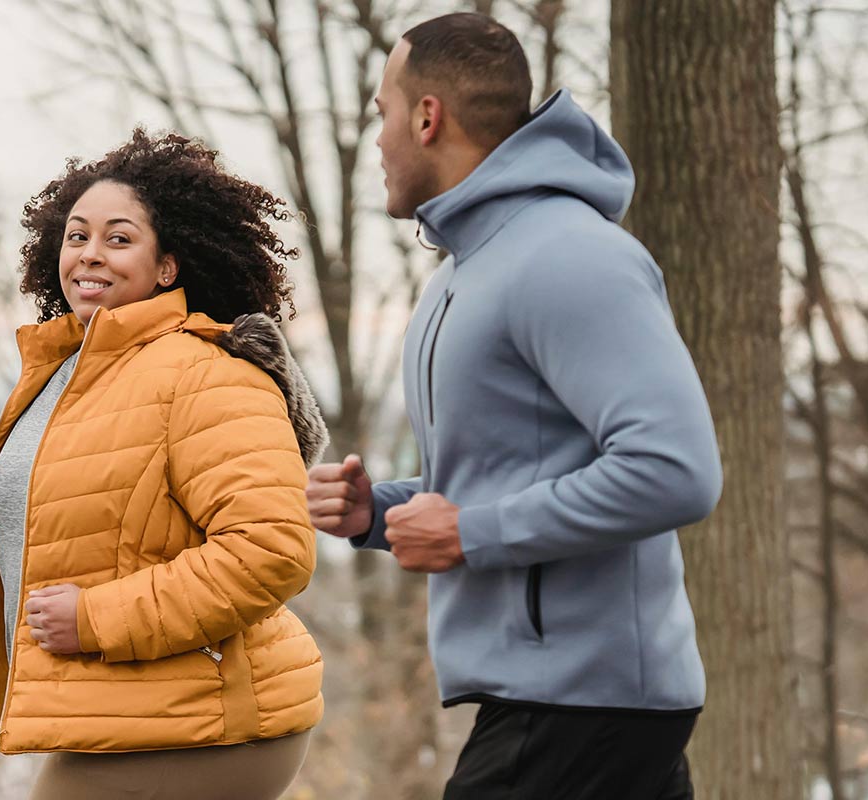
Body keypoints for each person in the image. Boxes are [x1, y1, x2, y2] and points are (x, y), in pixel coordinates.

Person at [306, 12, 725, 798]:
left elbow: (676, 470)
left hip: (581, 699)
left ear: (428, 117)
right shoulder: (469, 269)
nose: (379, 142)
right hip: (550, 696)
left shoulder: (570, 255)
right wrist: (377, 514)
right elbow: (511, 473)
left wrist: (471, 532)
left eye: (382, 115)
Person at [0, 130, 329, 799]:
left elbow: (271, 551)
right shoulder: (66, 375)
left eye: (119, 238)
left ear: (167, 267)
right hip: (134, 714)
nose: (90, 255)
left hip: (214, 721)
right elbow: (45, 536)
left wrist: (96, 617)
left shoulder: (205, 374)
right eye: (76, 236)